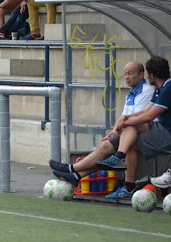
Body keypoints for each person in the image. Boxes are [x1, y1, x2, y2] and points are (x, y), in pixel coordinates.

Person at [49, 60, 161, 200]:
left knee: (107, 148)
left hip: (146, 133)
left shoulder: (147, 91)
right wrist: (114, 131)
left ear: (141, 74)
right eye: (125, 74)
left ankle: (72, 169)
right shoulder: (131, 93)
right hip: (132, 133)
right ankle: (77, 175)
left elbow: (136, 119)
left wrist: (119, 129)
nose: (126, 77)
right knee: (109, 150)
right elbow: (123, 117)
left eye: (130, 73)